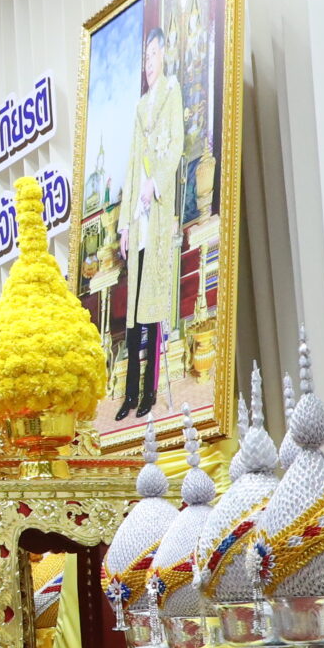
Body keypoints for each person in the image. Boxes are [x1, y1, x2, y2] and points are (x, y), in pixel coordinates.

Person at [119, 27, 185, 418]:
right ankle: (130, 393)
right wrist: (125, 225)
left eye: (154, 55)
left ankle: (149, 392)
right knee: (133, 312)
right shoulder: (140, 107)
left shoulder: (171, 94)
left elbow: (176, 145)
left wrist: (154, 182)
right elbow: (131, 165)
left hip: (157, 213)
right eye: (145, 57)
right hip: (139, 219)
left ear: (164, 56)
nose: (148, 63)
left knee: (154, 303)